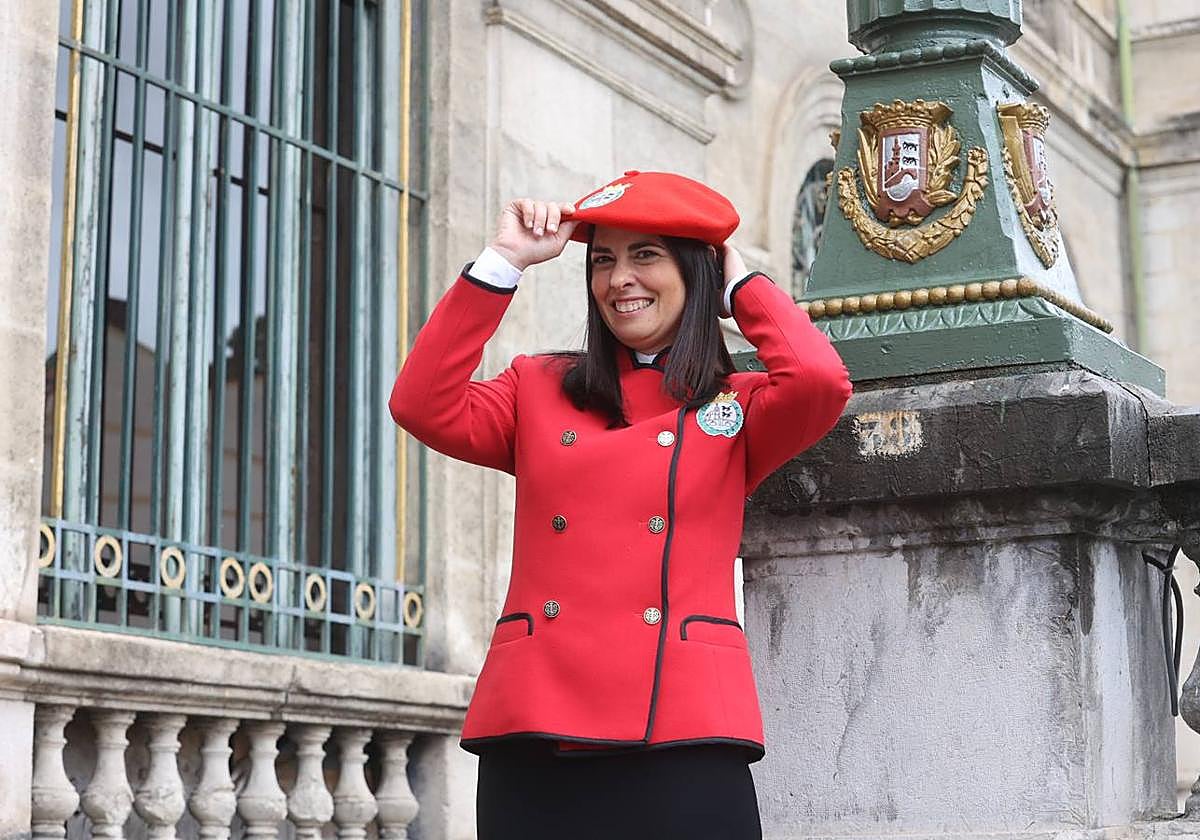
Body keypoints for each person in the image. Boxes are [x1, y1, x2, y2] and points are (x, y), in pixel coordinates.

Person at [389, 170, 852, 839]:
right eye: (603, 259)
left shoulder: (737, 404)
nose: (618, 279)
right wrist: (504, 263)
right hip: (537, 736)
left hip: (684, 732)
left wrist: (741, 286)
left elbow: (819, 380)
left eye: (646, 255)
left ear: (694, 270)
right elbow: (421, 402)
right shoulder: (537, 387)